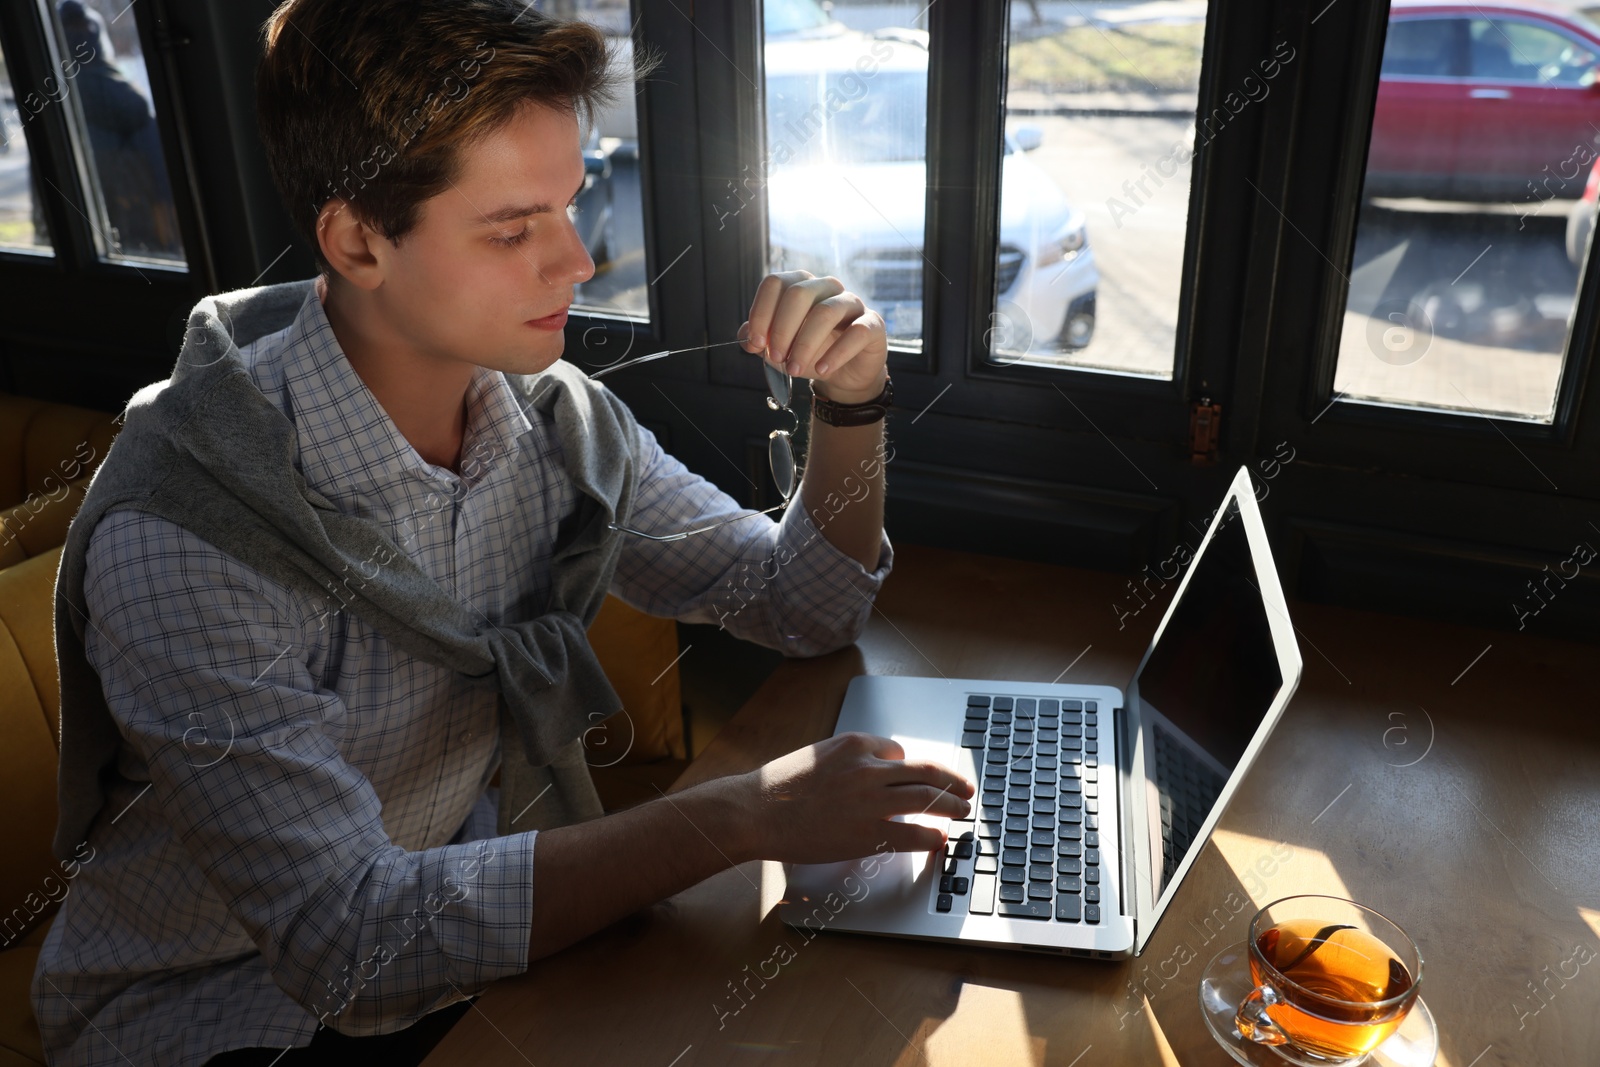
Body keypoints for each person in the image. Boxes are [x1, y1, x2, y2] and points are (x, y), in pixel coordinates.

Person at [30, 2, 974, 1065]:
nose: (578, 262)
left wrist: (850, 405)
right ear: (355, 241)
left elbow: (803, 605)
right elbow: (346, 941)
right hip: (218, 1018)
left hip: (450, 937)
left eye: (571, 205)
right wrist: (744, 817)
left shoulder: (546, 420)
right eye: (513, 229)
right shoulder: (187, 533)